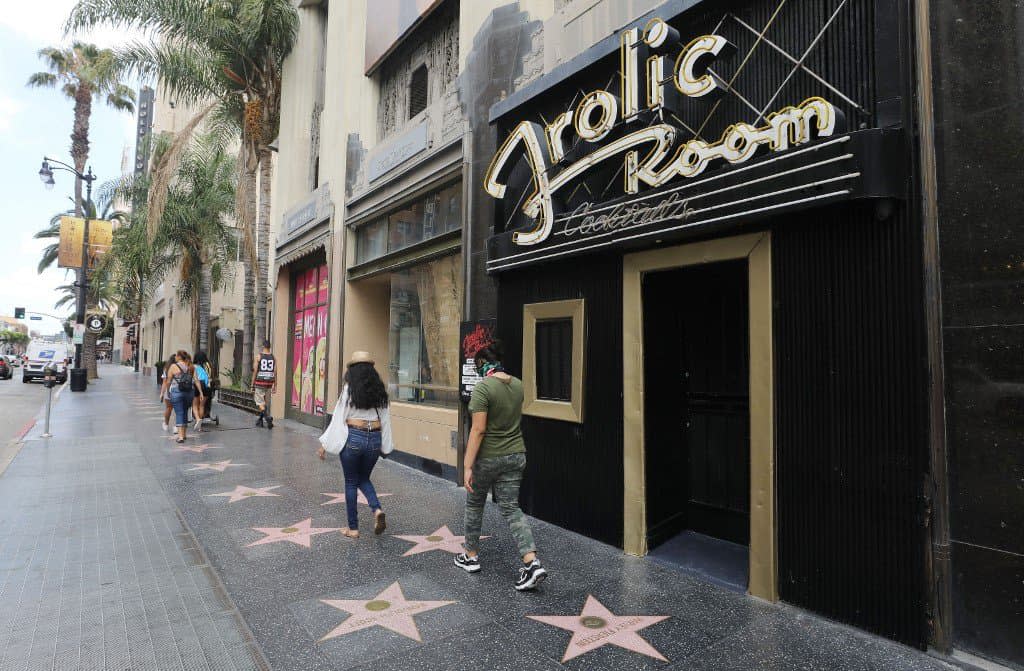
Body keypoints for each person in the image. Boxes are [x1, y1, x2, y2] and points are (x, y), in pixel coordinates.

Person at [455, 341, 547, 591]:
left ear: (482, 365)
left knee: (474, 505)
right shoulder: (517, 385)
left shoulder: (483, 389)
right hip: (516, 454)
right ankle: (531, 562)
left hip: (489, 457)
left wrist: (467, 465)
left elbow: (478, 429)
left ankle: (470, 556)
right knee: (511, 508)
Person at [317, 351, 391, 539]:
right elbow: (385, 420)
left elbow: (338, 418)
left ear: (352, 370)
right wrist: (385, 445)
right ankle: (376, 510)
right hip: (374, 438)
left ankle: (353, 528)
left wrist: (325, 444)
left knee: (351, 482)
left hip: (354, 438)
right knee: (363, 478)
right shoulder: (379, 391)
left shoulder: (349, 389)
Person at [166, 350, 204, 443]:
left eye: (176, 356)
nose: (175, 357)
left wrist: (168, 391)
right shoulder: (191, 366)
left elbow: (168, 381)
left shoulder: (173, 366)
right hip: (189, 392)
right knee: (185, 412)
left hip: (177, 392)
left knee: (179, 412)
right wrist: (201, 392)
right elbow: (196, 380)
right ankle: (184, 434)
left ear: (179, 356)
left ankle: (180, 437)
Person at [253, 340, 277, 429]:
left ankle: (267, 418)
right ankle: (260, 420)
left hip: (260, 382)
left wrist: (252, 383)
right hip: (269, 383)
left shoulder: (258, 356)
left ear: (263, 346)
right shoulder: (273, 357)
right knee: (264, 403)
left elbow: (255, 371)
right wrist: (275, 385)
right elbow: (275, 372)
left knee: (259, 402)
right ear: (269, 347)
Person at [193, 351, 212, 431]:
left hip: (196, 386)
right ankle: (199, 427)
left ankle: (198, 420)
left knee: (195, 405)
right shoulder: (208, 366)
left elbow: (193, 378)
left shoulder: (193, 366)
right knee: (202, 406)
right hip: (207, 387)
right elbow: (210, 376)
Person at [159, 354, 177, 433]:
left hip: (168, 390)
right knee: (178, 409)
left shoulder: (167, 368)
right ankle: (176, 426)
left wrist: (162, 394)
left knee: (168, 408)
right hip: (178, 390)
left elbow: (164, 382)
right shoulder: (180, 368)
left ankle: (166, 424)